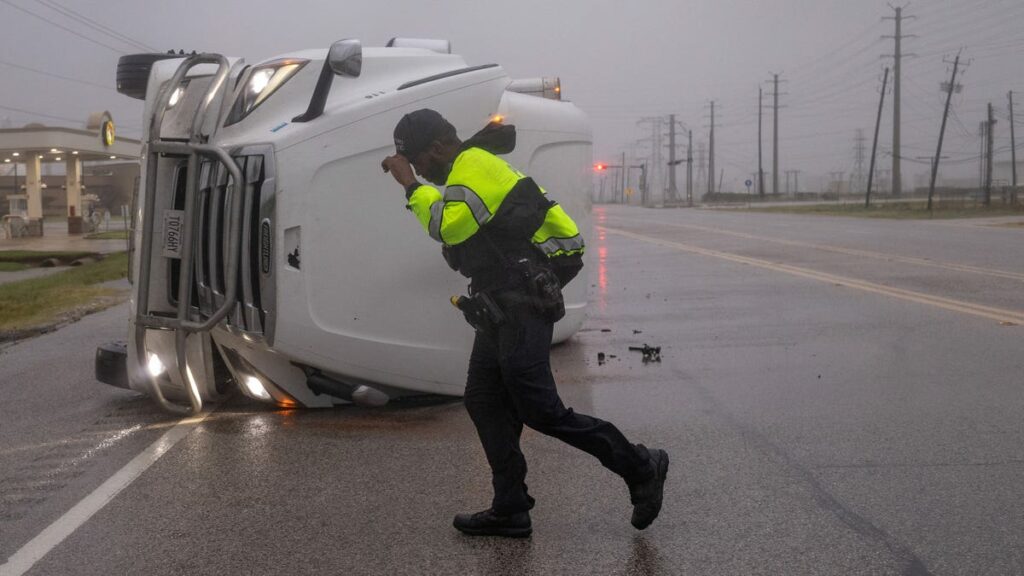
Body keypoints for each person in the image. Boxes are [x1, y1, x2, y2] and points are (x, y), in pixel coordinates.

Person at [381, 109, 668, 538]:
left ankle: (642, 466)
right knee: (482, 399)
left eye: (419, 161)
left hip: (522, 303)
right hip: (499, 301)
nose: (420, 170)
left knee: (540, 410)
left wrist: (409, 185)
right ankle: (510, 507)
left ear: (438, 148)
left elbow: (447, 228)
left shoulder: (472, 166)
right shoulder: (470, 166)